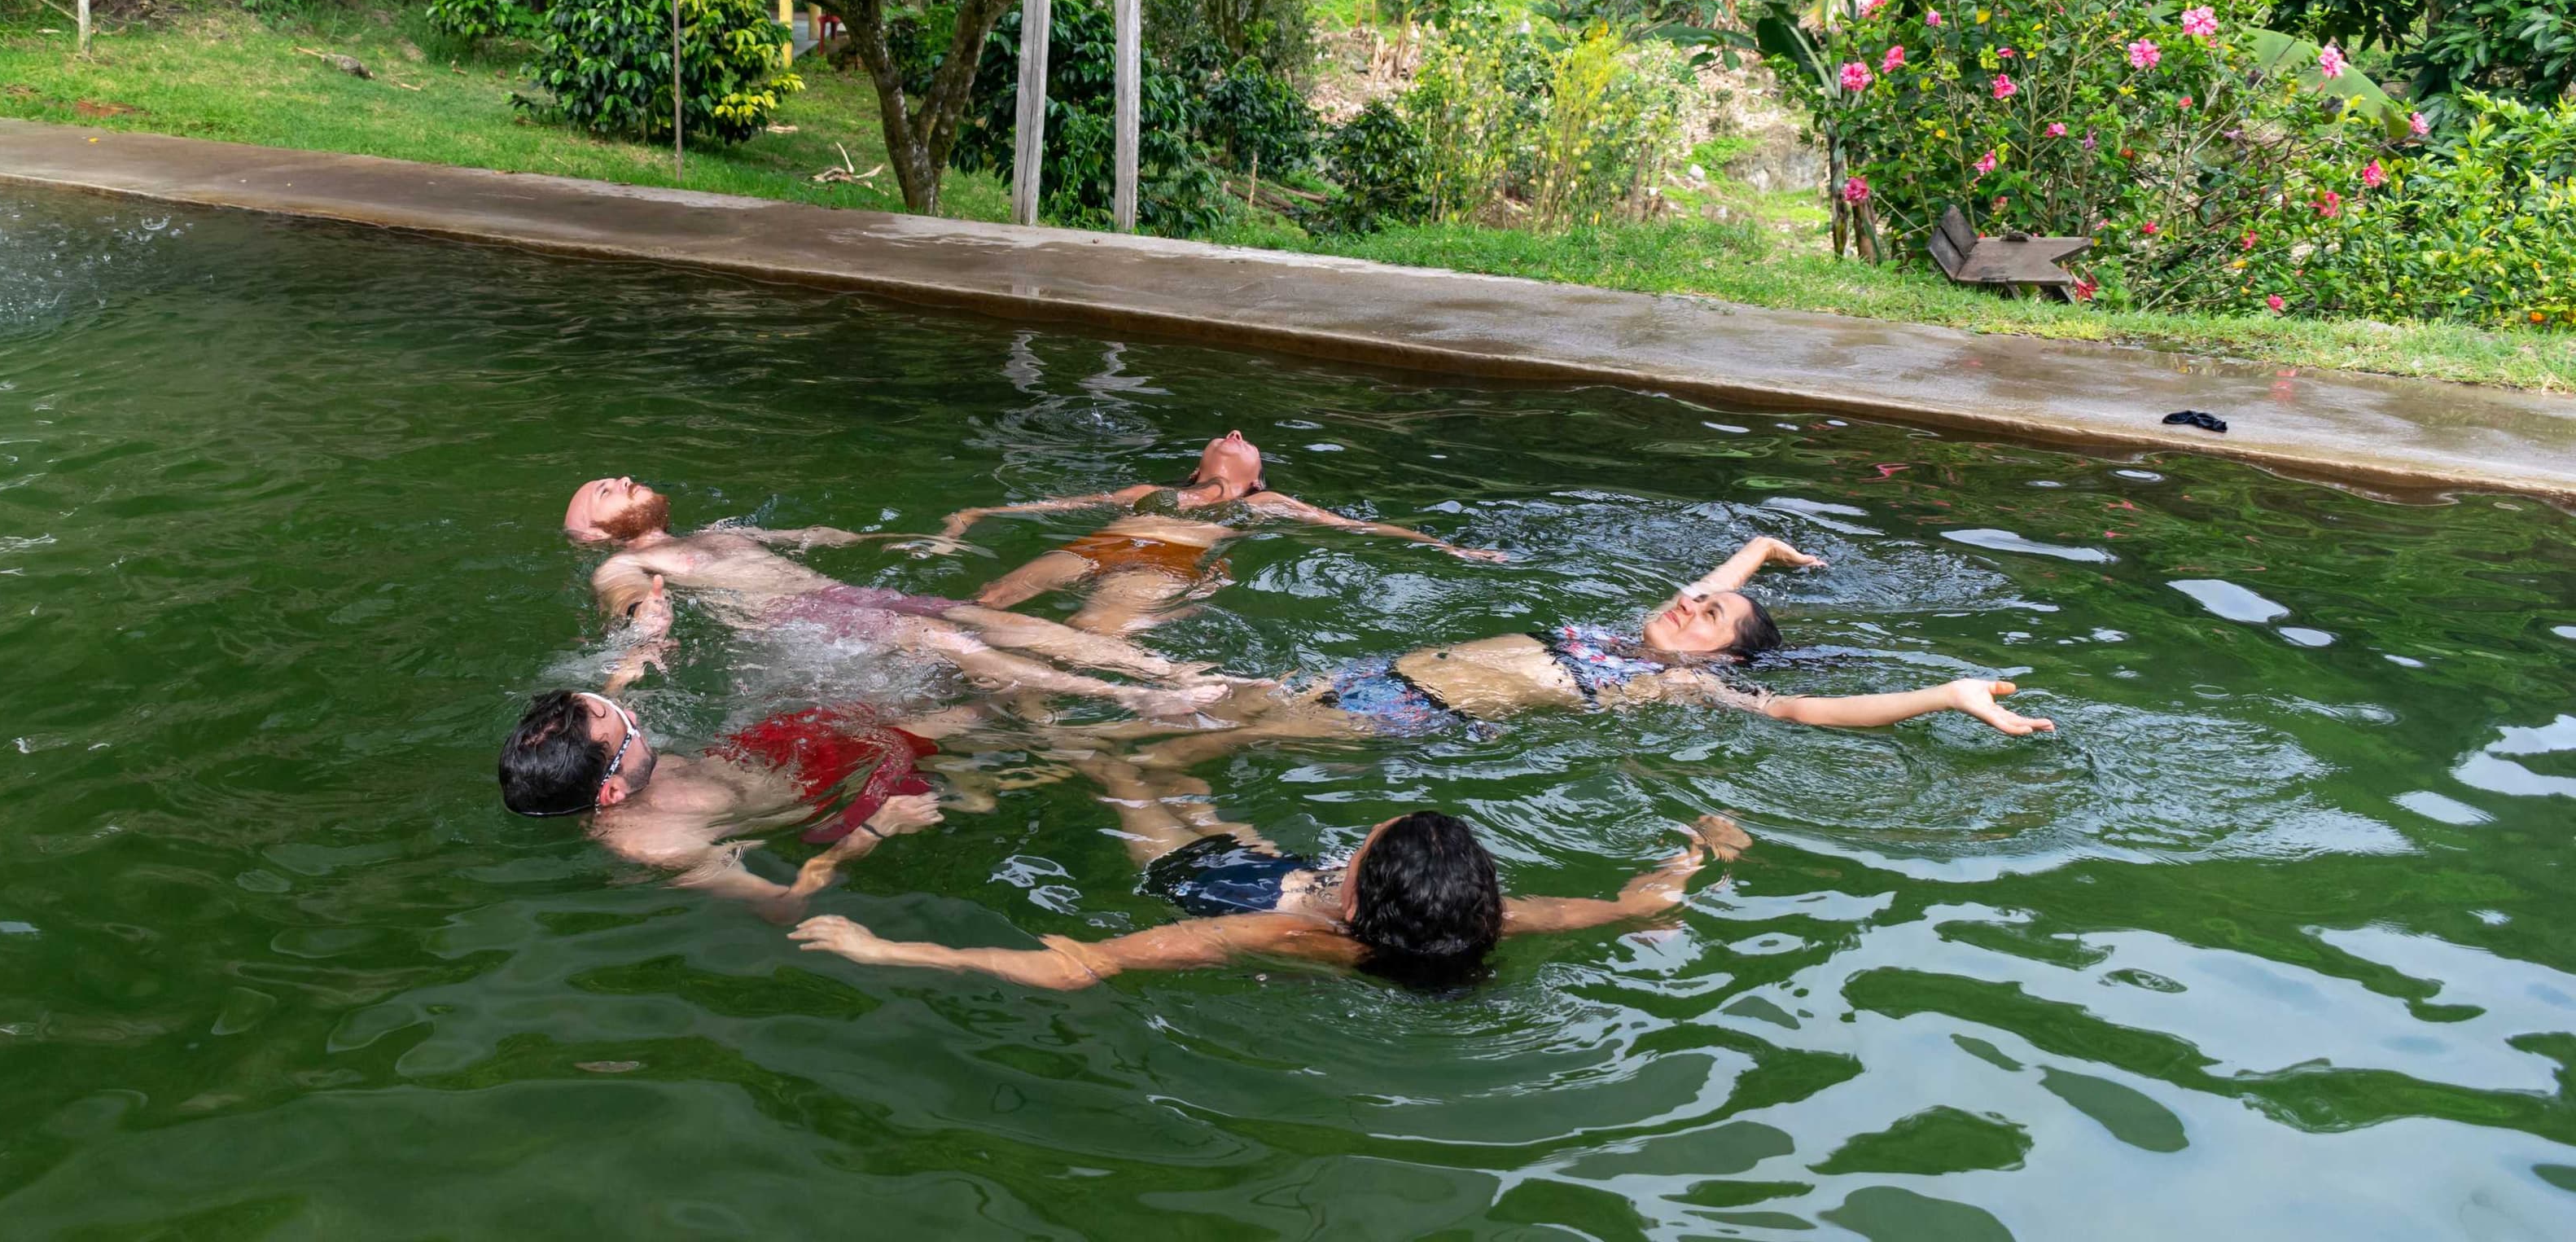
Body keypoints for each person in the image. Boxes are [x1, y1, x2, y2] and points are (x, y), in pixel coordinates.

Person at [1099, 533, 2052, 768]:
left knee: (1160, 734)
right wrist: (1758, 553)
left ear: (1719, 658)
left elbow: (1800, 710)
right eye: (1697, 595)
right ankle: (968, 707)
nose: (1691, 601)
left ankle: (981, 762)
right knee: (1146, 694)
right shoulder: (1633, 636)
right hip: (1362, 677)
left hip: (1403, 713)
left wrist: (1946, 691)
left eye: (1712, 616)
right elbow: (1707, 586)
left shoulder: (1677, 690)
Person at [788, 759, 1749, 987]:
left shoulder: (1280, 934)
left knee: (1116, 767)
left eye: (1369, 842)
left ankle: (1021, 759)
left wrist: (888, 946)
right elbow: (1638, 901)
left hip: (1210, 882)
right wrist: (1702, 850)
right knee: (1189, 778)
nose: (1365, 833)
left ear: (1365, 888)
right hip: (1279, 872)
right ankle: (1190, 786)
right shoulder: (1490, 920)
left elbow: (1082, 963)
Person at [564, 476, 1226, 717]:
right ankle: (1131, 697)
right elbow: (623, 600)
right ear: (595, 532)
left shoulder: (716, 534)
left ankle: (1165, 670)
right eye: (605, 491)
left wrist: (924, 537)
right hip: (800, 626)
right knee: (946, 640)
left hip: (850, 597)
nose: (622, 478)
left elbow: (821, 535)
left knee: (975, 616)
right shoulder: (619, 565)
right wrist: (642, 616)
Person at [932, 431, 1508, 635]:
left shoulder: (1268, 505)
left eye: (1245, 442)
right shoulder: (1142, 494)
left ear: (1256, 480)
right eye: (1223, 435)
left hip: (1168, 564)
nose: (1233, 432)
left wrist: (1444, 545)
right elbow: (1062, 505)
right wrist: (977, 513)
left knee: (1092, 635)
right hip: (1102, 544)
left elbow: (1357, 527)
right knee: (990, 600)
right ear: (1194, 468)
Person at [498, 687, 964, 921]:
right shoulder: (662, 845)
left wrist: (645, 640)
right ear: (613, 792)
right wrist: (872, 830)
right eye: (629, 730)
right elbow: (783, 904)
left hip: (768, 744)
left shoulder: (588, 763)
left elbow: (598, 723)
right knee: (977, 712)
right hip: (826, 776)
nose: (636, 718)